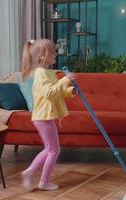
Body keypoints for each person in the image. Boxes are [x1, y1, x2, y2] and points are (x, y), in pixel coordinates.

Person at [20, 39, 76, 192]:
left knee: (50, 149)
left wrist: (69, 89)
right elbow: (50, 93)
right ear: (42, 57)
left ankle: (30, 172)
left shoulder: (48, 73)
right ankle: (42, 181)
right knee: (53, 150)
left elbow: (56, 92)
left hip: (45, 117)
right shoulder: (40, 74)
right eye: (52, 51)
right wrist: (64, 80)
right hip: (42, 117)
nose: (55, 53)